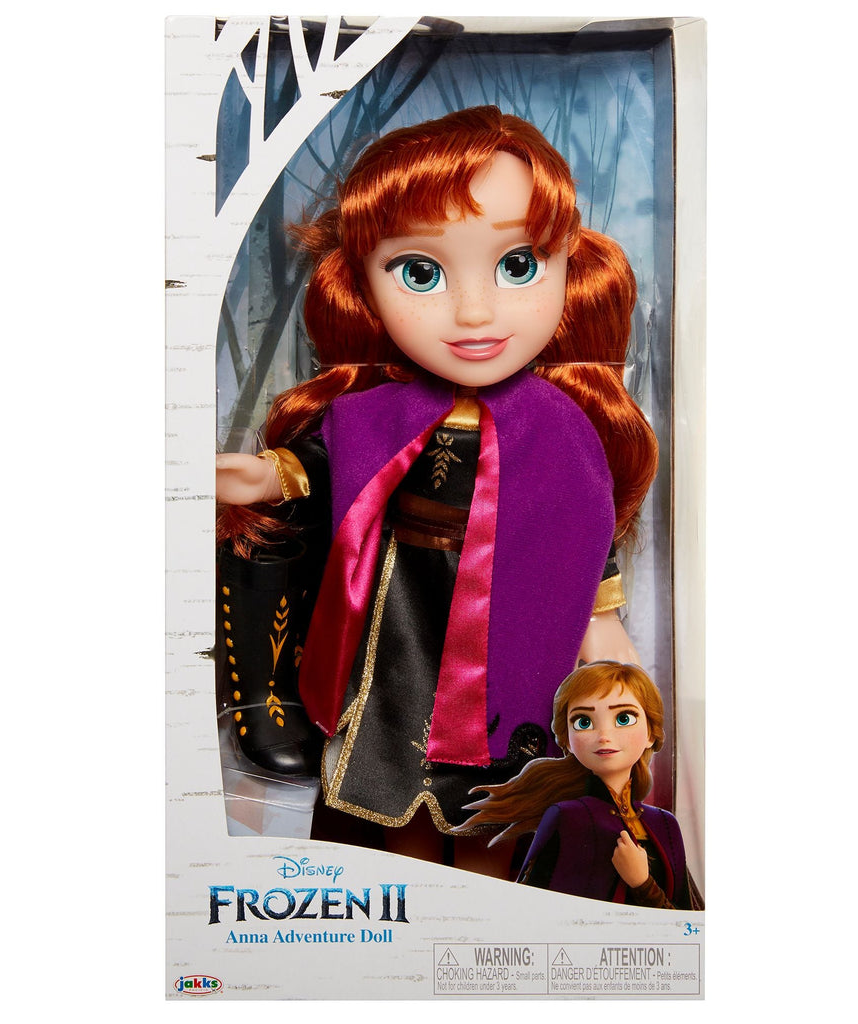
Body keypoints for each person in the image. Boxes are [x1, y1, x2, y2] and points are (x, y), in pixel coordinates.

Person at [215, 106, 658, 872]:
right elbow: (329, 465)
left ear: (568, 265)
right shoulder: (379, 412)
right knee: (398, 784)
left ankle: (488, 906)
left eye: (518, 265)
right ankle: (411, 897)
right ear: (363, 284)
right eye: (420, 273)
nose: (474, 312)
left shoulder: (557, 424)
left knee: (494, 796)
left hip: (511, 619)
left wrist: (601, 619)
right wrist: (266, 474)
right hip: (404, 617)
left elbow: (581, 524)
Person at [458, 661, 702, 907]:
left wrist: (642, 884)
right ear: (567, 740)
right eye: (583, 722)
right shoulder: (568, 817)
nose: (604, 736)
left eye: (623, 718)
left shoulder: (664, 824)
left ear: (650, 733)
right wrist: (641, 885)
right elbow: (534, 907)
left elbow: (687, 922)